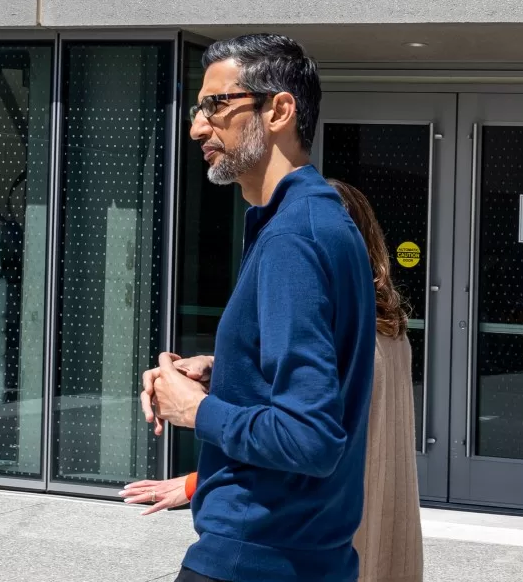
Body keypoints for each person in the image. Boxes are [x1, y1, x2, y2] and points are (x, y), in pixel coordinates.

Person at [138, 34, 376, 582]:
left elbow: (311, 438)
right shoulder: (316, 222)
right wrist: (228, 369)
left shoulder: (293, 238)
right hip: (298, 553)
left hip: (254, 555)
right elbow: (321, 381)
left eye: (215, 106)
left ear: (279, 110)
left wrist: (195, 409)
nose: (198, 127)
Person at [123, 180, 424, 582]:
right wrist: (220, 368)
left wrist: (198, 423)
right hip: (360, 530)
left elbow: (311, 439)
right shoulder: (386, 329)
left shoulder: (361, 339)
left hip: (324, 536)